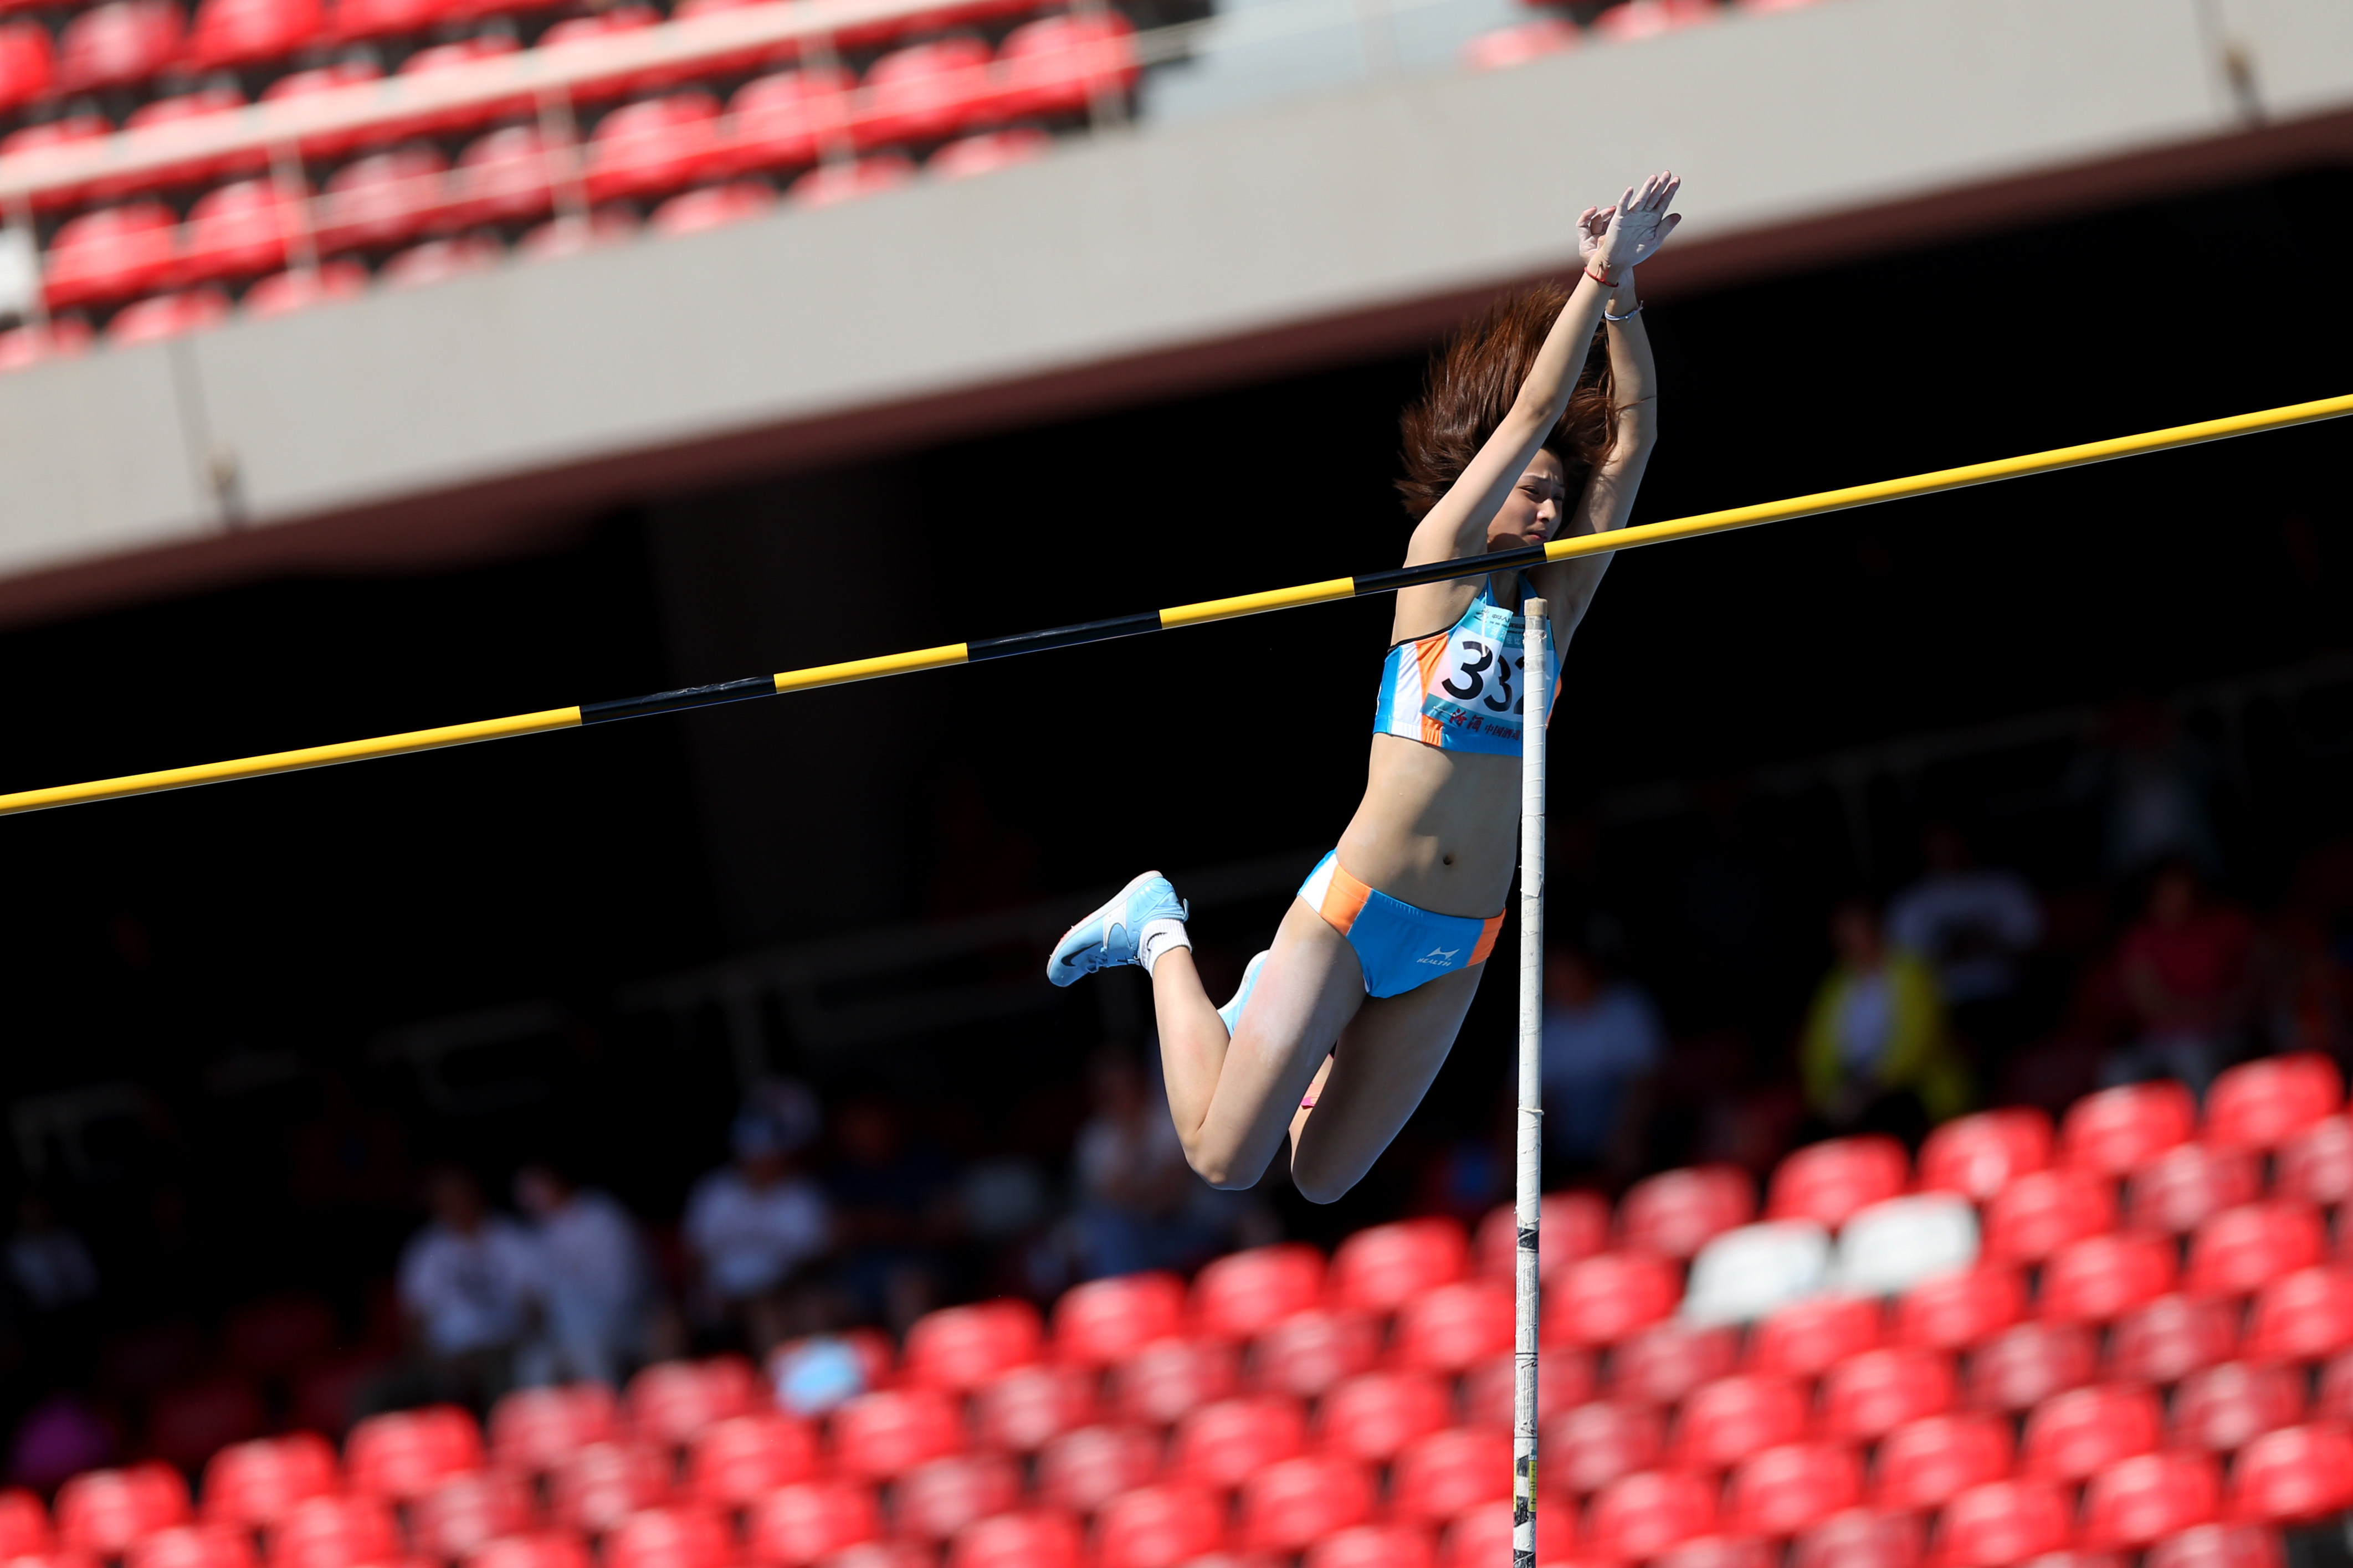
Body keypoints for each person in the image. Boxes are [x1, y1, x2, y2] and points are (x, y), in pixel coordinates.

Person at [1045, 173, 1680, 1202]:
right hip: (1356, 907)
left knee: (1322, 1176)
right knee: (1222, 1159)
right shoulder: (1437, 570)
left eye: (1558, 500)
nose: (1546, 512)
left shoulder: (1552, 614)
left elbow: (1636, 437)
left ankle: (1281, 1022)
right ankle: (1159, 932)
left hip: (1459, 943)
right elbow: (1534, 409)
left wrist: (1629, 303)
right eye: (1532, 490)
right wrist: (1597, 277)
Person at [1802, 898, 1968, 1138]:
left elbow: (1919, 1042)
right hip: (1852, 1086)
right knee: (1813, 1132)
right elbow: (1817, 1051)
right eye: (1844, 936)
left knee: (1885, 1117)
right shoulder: (1834, 985)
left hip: (1909, 1085)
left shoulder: (1912, 971)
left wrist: (1873, 1089)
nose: (1853, 942)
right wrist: (1829, 1096)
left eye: (1859, 931)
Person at [684, 1105, 831, 1356]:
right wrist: (711, 1290)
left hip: (782, 1293)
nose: (762, 1163)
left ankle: (784, 1380)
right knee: (671, 1320)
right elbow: (694, 1255)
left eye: (770, 1156)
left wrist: (772, 1290)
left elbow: (816, 1261)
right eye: (754, 1156)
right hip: (721, 1294)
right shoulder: (715, 1191)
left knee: (768, 1313)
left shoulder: (803, 1195)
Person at [391, 1166, 540, 1410]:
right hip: (448, 1354)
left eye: (459, 1194)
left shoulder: (510, 1238)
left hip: (503, 1346)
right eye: (444, 1198)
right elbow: (416, 1317)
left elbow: (535, 1306)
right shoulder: (426, 1249)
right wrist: (432, 1360)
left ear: (476, 1194)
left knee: (503, 1376)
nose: (454, 1204)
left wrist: (516, 1344)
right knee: (382, 1391)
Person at [1886, 822, 2043, 1047]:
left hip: (2006, 998)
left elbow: (2034, 952)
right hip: (1942, 1008)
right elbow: (1902, 971)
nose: (1947, 850)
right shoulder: (1911, 903)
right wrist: (1948, 951)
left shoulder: (2004, 887)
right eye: (1938, 844)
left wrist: (1988, 942)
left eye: (1953, 841)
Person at [2108, 858, 2254, 1091]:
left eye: (2181, 890)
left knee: (2192, 1054)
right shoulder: (2140, 940)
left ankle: (2209, 1115)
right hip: (2161, 1039)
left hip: (2225, 1030)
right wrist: (2203, 1011)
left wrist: (2223, 1011)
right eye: (2167, 893)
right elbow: (2152, 1006)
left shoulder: (2226, 925)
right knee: (2118, 1067)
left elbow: (2253, 985)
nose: (2177, 899)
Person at [513, 1161, 652, 1388]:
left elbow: (623, 1288)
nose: (527, 1198)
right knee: (533, 1364)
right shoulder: (537, 1234)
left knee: (588, 1354)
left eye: (533, 1188)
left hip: (623, 1319)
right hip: (564, 1333)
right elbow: (538, 1298)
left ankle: (608, 1409)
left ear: (555, 1181)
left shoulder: (600, 1215)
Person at [1539, 946, 1664, 1174]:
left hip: (1627, 1135)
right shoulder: (1543, 1024)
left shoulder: (1624, 1008)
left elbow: (1645, 1081)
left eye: (1569, 972)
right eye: (1554, 976)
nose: (1563, 982)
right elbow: (1525, 1097)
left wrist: (1626, 1134)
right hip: (1568, 1145)